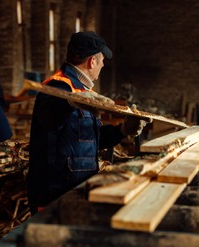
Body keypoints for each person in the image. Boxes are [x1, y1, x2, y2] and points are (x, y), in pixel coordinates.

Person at [27, 31, 151, 214]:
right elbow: (50, 117)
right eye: (102, 61)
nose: (102, 65)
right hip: (54, 195)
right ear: (92, 61)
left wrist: (123, 130)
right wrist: (70, 101)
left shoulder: (81, 91)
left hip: (76, 190)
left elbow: (93, 138)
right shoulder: (57, 87)